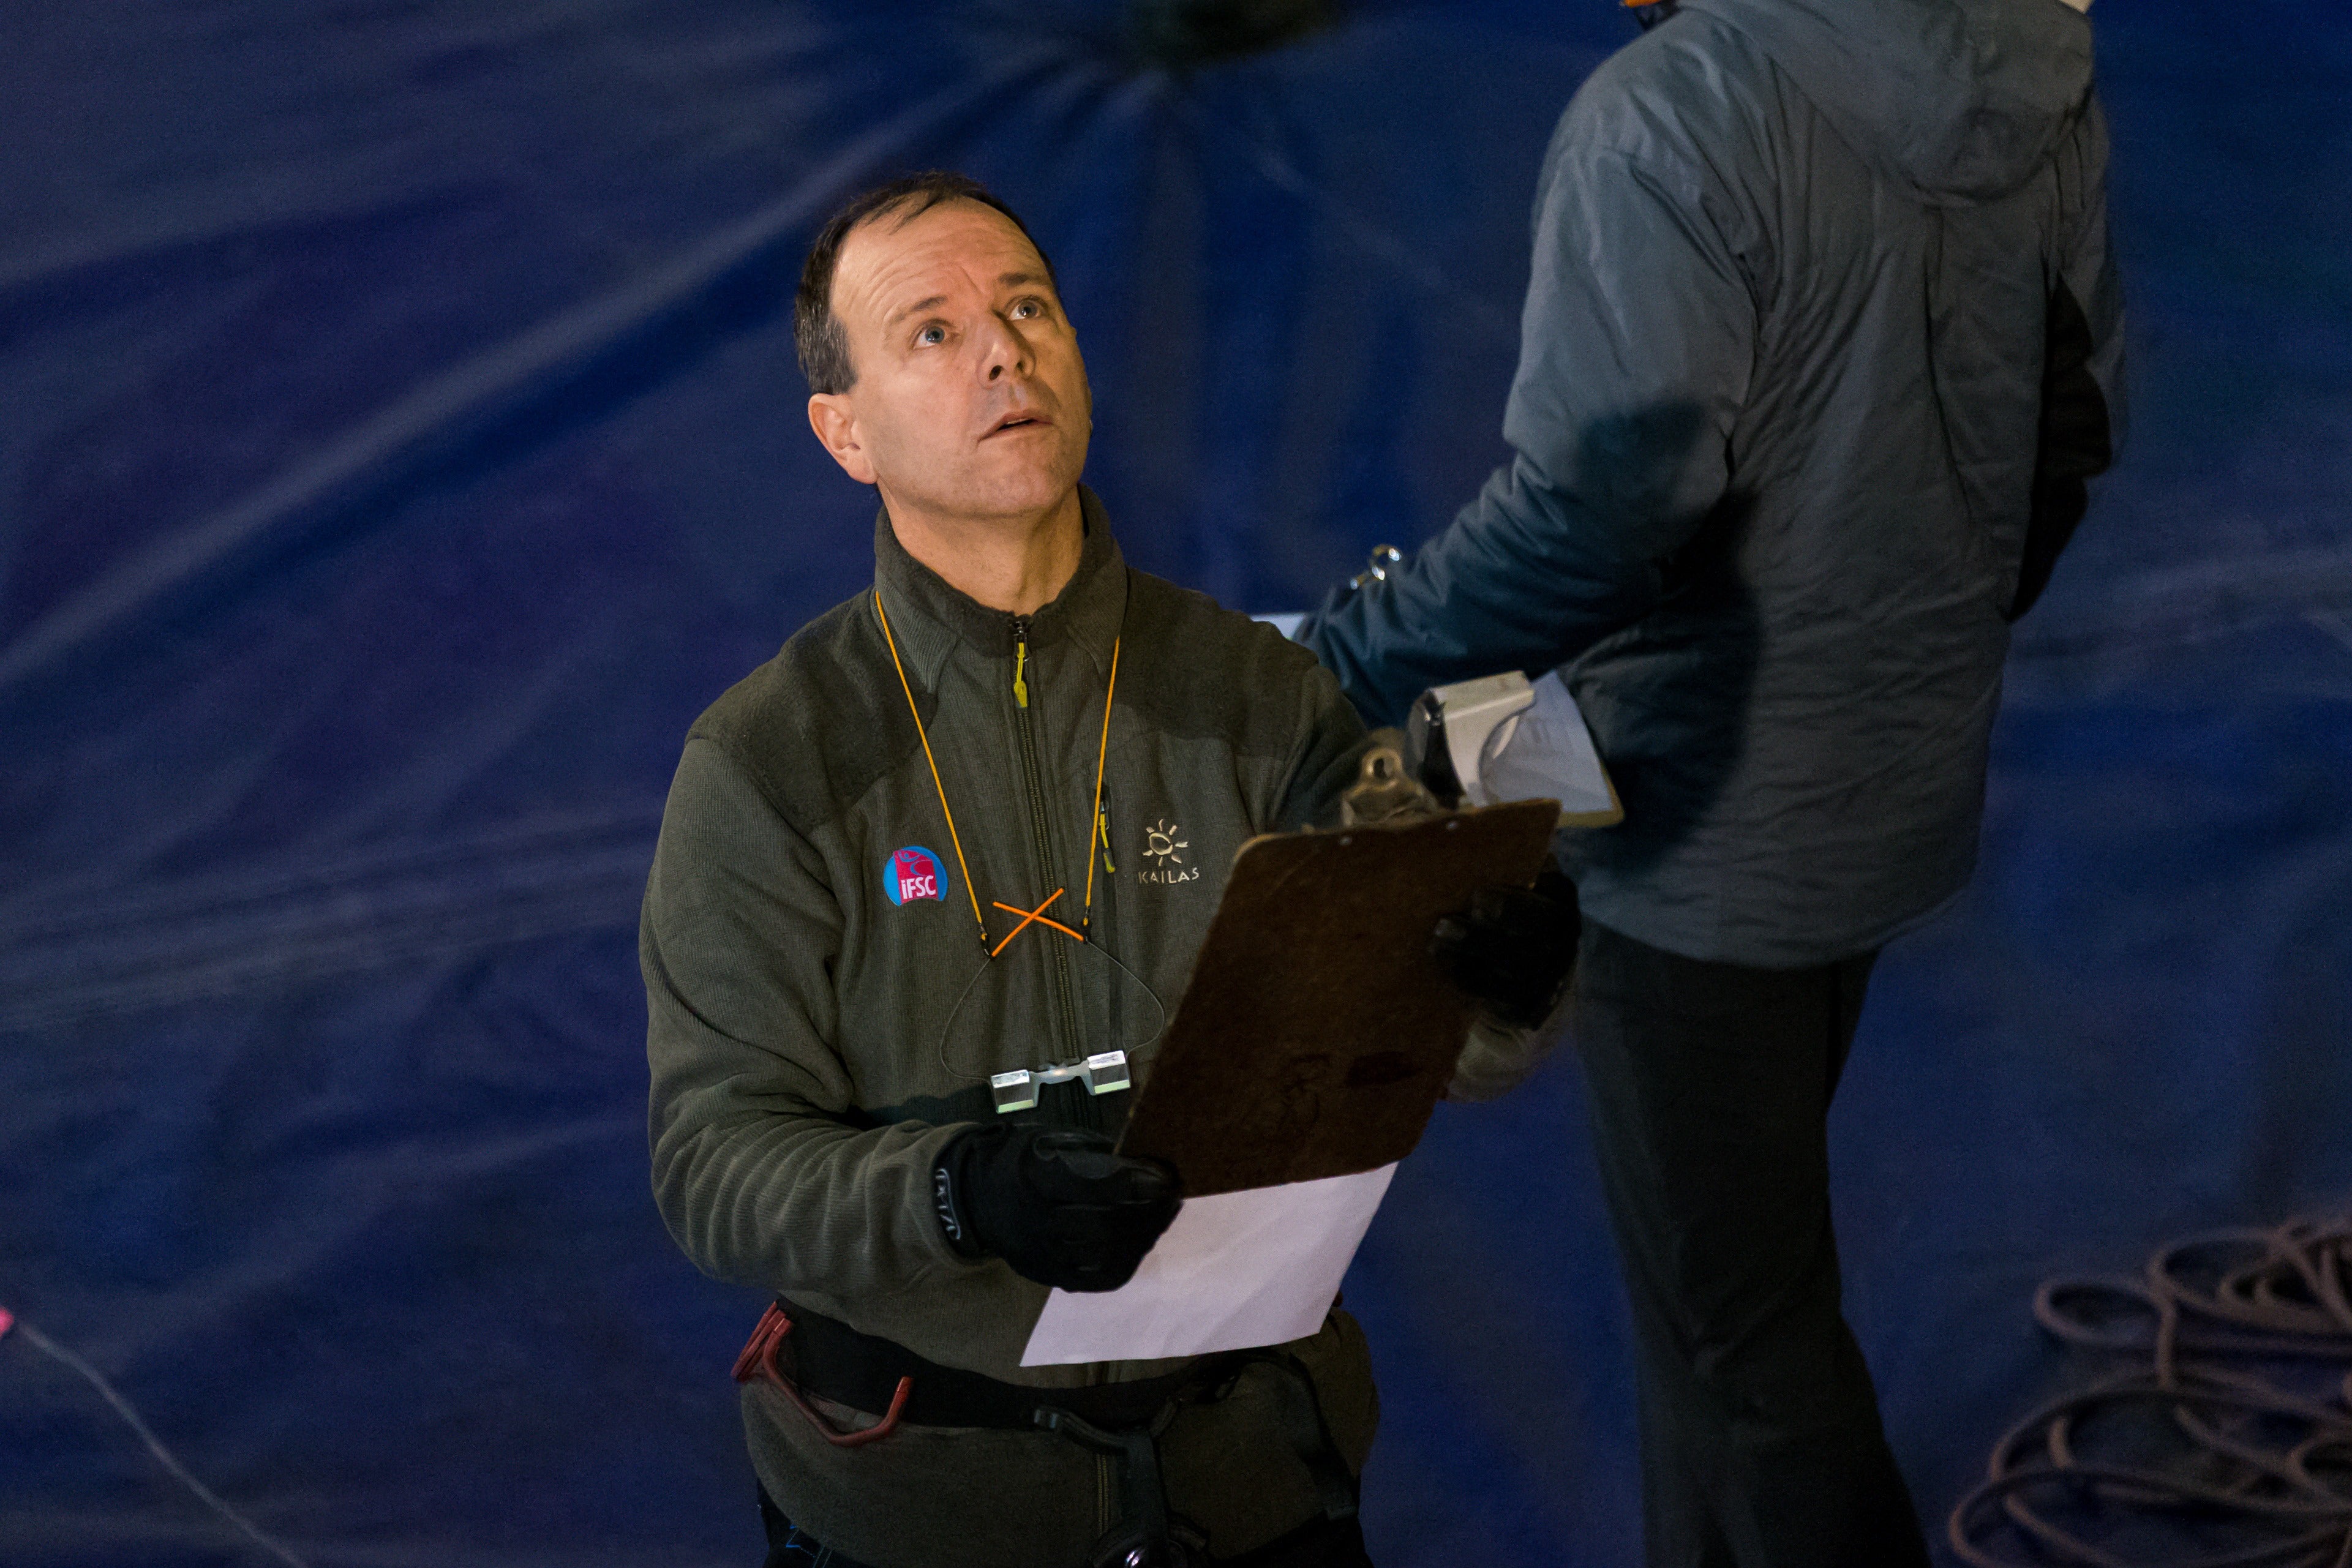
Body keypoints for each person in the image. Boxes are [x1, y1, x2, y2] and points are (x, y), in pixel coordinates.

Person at [641, 172, 1572, 1568]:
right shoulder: (769, 762)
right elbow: (712, 1166)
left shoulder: (1254, 697)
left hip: (1245, 1484)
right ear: (845, 433)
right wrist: (958, 1193)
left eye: (1026, 308)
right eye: (933, 334)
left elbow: (1442, 1051)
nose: (1004, 349)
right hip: (920, 1502)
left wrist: (1504, 986)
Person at [1294, 1, 2124, 1564]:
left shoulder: (1664, 115)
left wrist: (1344, 662)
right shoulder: (2029, 69)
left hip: (1702, 834)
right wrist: (1888, 661)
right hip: (1888, 787)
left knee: (1748, 1343)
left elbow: (1597, 516)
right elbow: (2065, 447)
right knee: (1710, 1308)